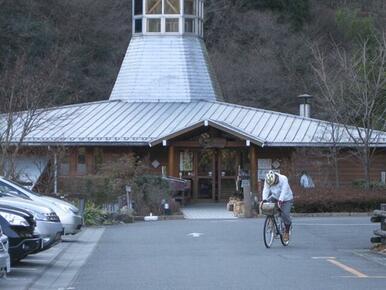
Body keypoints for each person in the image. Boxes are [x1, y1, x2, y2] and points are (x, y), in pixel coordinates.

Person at [260, 170, 294, 242]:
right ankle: (271, 221)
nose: (272, 185)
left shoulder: (283, 179)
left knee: (285, 214)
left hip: (286, 198)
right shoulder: (267, 180)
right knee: (267, 207)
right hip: (275, 196)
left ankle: (287, 231)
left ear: (276, 178)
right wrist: (264, 200)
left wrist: (280, 201)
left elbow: (284, 191)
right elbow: (266, 189)